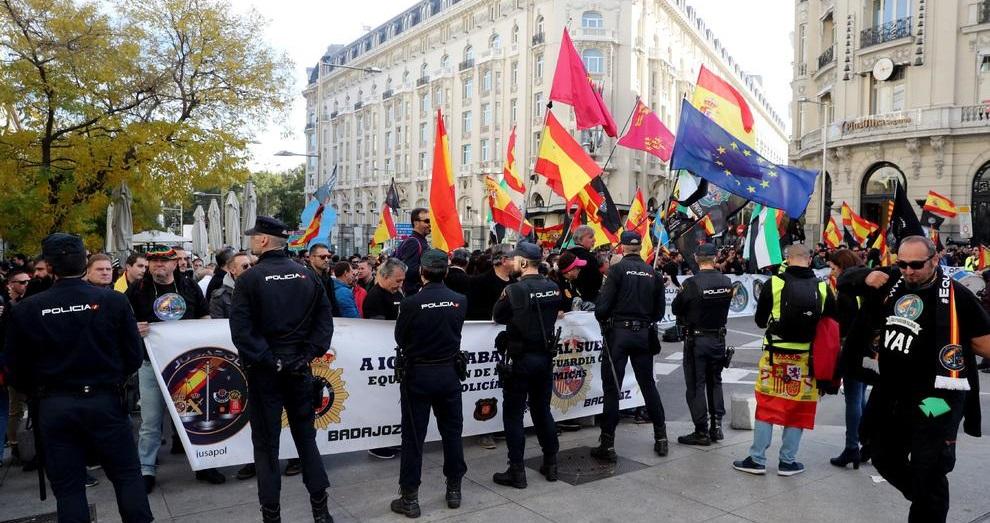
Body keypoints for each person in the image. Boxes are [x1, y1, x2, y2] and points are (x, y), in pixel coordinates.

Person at [838, 236, 990, 522]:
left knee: (929, 464)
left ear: (934, 260)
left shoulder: (957, 295)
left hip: (937, 397)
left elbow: (985, 344)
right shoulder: (892, 282)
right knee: (881, 454)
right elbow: (845, 279)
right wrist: (866, 274)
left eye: (916, 265)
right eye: (903, 263)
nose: (909, 271)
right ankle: (923, 495)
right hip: (892, 394)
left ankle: (927, 502)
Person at [5, 233, 153, 522]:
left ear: (48, 266)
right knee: (126, 476)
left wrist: (39, 391)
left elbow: (14, 368)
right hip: (103, 400)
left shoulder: (27, 309)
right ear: (85, 262)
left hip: (55, 405)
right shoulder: (112, 301)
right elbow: (133, 356)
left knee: (69, 488)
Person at [230, 216, 334, 523]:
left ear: (263, 241)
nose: (250, 241)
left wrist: (270, 360)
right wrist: (305, 356)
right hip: (298, 369)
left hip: (267, 374)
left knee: (265, 447)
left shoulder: (249, 279)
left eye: (253, 237)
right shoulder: (306, 275)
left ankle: (272, 517)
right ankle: (321, 511)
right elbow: (323, 323)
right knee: (306, 440)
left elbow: (241, 331)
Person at [733, 243, 836, 477]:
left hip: (775, 355)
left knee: (767, 405)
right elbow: (830, 322)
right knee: (799, 408)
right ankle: (788, 461)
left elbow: (760, 320)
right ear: (810, 260)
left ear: (788, 259)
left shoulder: (775, 283)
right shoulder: (822, 286)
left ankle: (757, 459)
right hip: (805, 358)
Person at [126, 245, 218, 493]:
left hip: (186, 366)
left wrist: (197, 328)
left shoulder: (189, 287)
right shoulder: (137, 289)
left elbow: (206, 317)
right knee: (151, 420)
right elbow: (122, 324)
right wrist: (134, 328)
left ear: (175, 264)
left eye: (164, 262)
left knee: (193, 417)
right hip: (151, 364)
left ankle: (203, 463)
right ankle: (146, 469)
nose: (158, 266)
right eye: (153, 262)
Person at [391, 249, 468, 518]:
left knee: (413, 438)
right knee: (452, 434)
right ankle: (454, 489)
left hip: (419, 377)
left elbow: (400, 338)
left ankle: (410, 497)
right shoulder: (459, 300)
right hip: (447, 375)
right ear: (445, 272)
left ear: (422, 272)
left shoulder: (411, 303)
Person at [591, 231, 668, 461]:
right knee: (648, 386)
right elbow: (659, 312)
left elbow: (602, 309)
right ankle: (661, 438)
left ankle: (608, 444)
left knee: (612, 388)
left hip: (619, 335)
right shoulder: (653, 273)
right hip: (643, 333)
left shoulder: (616, 270)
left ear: (623, 247)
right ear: (640, 248)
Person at [491, 242, 561, 488]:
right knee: (542, 410)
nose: (510, 263)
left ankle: (517, 471)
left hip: (520, 360)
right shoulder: (553, 287)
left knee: (513, 415)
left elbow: (498, 316)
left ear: (522, 262)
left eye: (514, 260)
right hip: (544, 358)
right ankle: (551, 463)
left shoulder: (514, 290)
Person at [671, 243, 733, 446]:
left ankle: (701, 431)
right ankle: (716, 427)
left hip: (697, 340)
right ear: (715, 258)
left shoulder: (691, 283)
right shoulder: (726, 281)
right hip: (718, 339)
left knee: (696, 385)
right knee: (715, 381)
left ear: (697, 259)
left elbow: (676, 308)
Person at [827, 249, 870, 469]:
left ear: (842, 267)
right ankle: (867, 441)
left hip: (853, 346)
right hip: (870, 347)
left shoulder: (846, 289)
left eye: (833, 268)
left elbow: (840, 322)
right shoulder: (868, 281)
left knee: (852, 398)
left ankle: (852, 447)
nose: (831, 272)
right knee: (861, 396)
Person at [466, 244, 515, 321]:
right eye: (513, 258)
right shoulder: (479, 282)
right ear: (504, 261)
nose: (516, 261)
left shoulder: (515, 283)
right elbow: (473, 313)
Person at [396, 208, 431, 296]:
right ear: (416, 222)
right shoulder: (414, 242)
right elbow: (409, 270)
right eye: (427, 221)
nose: (430, 224)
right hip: (413, 292)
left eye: (431, 221)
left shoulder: (420, 240)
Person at [209, 251, 253, 319]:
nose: (250, 268)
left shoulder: (259, 289)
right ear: (233, 270)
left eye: (251, 265)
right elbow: (217, 325)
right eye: (245, 266)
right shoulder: (220, 297)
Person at [568, 226, 603, 302]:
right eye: (590, 237)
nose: (594, 240)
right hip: (589, 299)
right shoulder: (589, 257)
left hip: (571, 299)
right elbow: (596, 282)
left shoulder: (566, 254)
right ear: (580, 240)